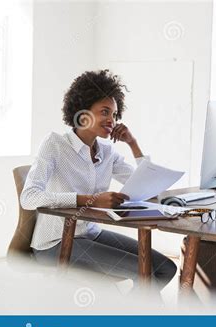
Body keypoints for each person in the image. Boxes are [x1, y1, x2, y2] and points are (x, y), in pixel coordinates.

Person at [21, 69, 177, 288]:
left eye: (114, 114)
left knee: (166, 269)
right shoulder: (55, 144)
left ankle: (128, 315)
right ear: (83, 113)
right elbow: (29, 197)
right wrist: (92, 200)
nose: (111, 120)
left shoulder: (106, 152)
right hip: (54, 242)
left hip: (90, 234)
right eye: (105, 112)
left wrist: (133, 143)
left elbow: (147, 186)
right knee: (145, 272)